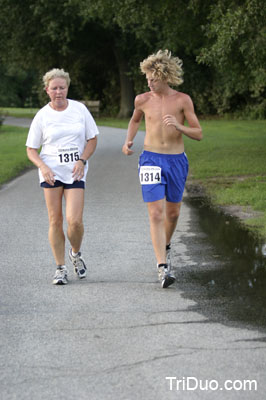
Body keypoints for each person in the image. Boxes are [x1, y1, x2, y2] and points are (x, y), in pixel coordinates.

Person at [122, 50, 202, 288]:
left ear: (165, 76)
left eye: (153, 79)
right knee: (156, 213)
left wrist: (179, 126)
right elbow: (135, 120)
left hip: (177, 161)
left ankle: (165, 247)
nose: (149, 83)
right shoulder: (142, 100)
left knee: (173, 213)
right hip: (150, 160)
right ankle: (162, 268)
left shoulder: (182, 100)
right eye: (147, 79)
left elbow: (198, 133)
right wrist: (128, 140)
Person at [26, 68, 99, 285]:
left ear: (67, 88)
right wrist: (43, 167)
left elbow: (92, 139)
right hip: (51, 172)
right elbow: (31, 149)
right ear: (47, 90)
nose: (59, 92)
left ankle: (75, 254)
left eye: (62, 88)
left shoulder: (79, 110)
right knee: (55, 220)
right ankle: (60, 268)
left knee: (74, 221)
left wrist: (82, 159)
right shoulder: (42, 116)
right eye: (54, 88)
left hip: (75, 171)